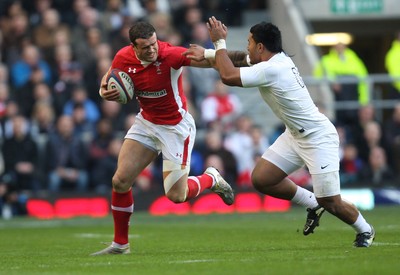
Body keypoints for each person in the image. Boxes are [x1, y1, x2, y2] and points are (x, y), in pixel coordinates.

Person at [184, 16, 375, 247]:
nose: (247, 47)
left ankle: (365, 230)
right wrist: (205, 55)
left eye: (249, 43)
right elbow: (235, 60)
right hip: (295, 134)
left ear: (261, 47)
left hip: (317, 137)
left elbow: (229, 75)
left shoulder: (271, 69)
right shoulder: (273, 60)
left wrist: (218, 43)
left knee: (331, 201)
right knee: (262, 179)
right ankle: (311, 203)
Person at [90, 21, 234, 256]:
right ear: (133, 48)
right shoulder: (123, 58)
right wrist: (102, 90)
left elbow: (212, 61)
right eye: (145, 47)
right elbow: (107, 79)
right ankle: (120, 245)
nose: (152, 50)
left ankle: (211, 178)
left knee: (176, 196)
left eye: (154, 43)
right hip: (147, 123)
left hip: (176, 128)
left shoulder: (171, 54)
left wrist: (224, 48)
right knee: (120, 181)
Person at [313, 42, 369, 126]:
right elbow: (317, 75)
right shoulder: (326, 60)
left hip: (353, 97)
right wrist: (332, 81)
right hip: (336, 97)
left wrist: (364, 101)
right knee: (339, 123)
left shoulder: (354, 60)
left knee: (354, 123)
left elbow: (364, 80)